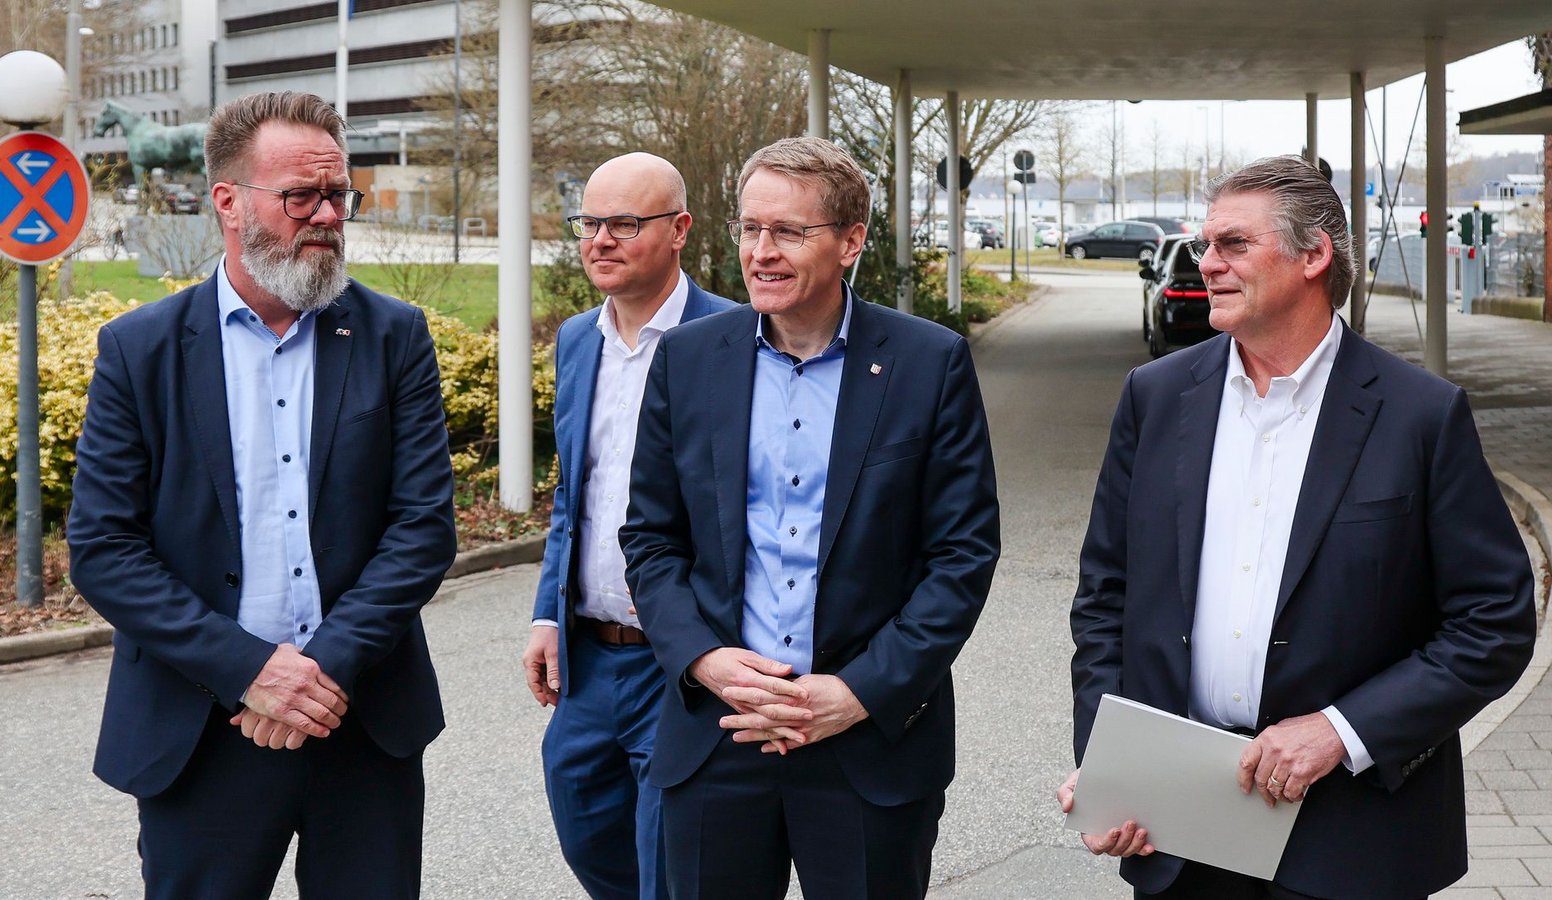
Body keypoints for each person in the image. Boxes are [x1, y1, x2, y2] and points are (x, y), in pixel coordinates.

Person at [1060, 154, 1536, 899]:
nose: (1205, 262)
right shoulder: (1154, 397)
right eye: (1206, 243)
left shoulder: (1420, 415)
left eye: (1233, 244)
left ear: (1314, 255)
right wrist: (1110, 764)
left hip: (1355, 839)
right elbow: (1104, 600)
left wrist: (1341, 731)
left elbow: (1494, 621)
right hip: (1180, 830)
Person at [68, 91, 456, 900]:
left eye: (339, 194)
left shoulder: (394, 336)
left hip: (361, 718)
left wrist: (320, 672)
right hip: (202, 725)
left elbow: (421, 530)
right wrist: (249, 670)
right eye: (301, 197)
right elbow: (105, 549)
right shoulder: (140, 351)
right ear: (227, 201)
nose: (328, 216)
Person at [620, 135, 1001, 900]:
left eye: (789, 231)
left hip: (866, 739)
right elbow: (652, 539)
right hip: (720, 731)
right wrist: (703, 659)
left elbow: (961, 554)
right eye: (750, 228)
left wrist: (860, 691)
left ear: (851, 242)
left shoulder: (928, 364)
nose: (762, 251)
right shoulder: (688, 359)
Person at [523, 151, 733, 899]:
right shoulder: (578, 339)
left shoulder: (735, 338)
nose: (600, 240)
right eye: (589, 223)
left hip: (679, 663)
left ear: (679, 230)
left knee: (665, 867)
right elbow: (573, 494)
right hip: (588, 659)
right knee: (585, 830)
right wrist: (547, 614)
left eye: (623, 224)